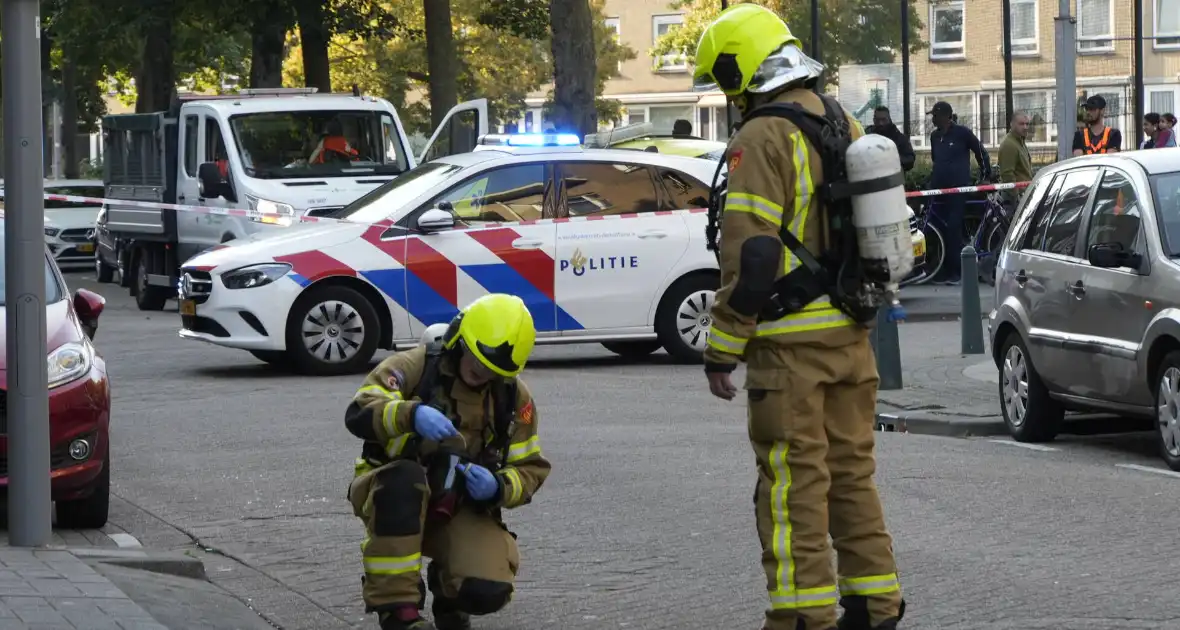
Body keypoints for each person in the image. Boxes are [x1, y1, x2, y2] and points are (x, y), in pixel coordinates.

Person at [692, 5, 905, 630]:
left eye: (725, 79)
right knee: (852, 475)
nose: (727, 94)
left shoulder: (760, 136)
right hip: (850, 334)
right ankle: (876, 604)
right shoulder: (838, 117)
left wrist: (722, 348)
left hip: (790, 348)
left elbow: (752, 254)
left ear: (741, 67)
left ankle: (801, 617)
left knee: (792, 488)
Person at [344, 293, 551, 630]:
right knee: (403, 482)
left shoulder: (512, 398)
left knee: (488, 589)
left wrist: (498, 487)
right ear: (459, 338)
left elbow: (530, 468)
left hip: (457, 504)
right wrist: (410, 414)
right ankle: (398, 610)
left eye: (493, 371)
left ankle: (451, 596)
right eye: (477, 360)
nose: (481, 372)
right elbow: (358, 411)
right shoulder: (417, 365)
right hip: (389, 490)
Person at [928, 101, 990, 285]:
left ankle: (956, 272)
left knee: (953, 228)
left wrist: (986, 175)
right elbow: (935, 160)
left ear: (947, 116)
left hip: (957, 189)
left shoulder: (962, 133)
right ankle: (938, 268)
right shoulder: (934, 136)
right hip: (938, 189)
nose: (933, 119)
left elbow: (980, 152)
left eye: (936, 115)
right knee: (935, 227)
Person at [997, 112, 1032, 208]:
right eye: (1021, 124)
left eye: (1027, 124)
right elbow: (1007, 174)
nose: (1025, 127)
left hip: (1023, 195)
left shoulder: (1020, 141)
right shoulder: (1009, 144)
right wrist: (1017, 197)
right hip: (1014, 200)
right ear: (1012, 124)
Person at [866, 106, 916, 172]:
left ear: (889, 119)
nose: (881, 123)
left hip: (893, 178)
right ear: (874, 120)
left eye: (884, 119)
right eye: (877, 120)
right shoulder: (867, 136)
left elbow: (910, 160)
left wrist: (891, 159)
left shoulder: (900, 138)